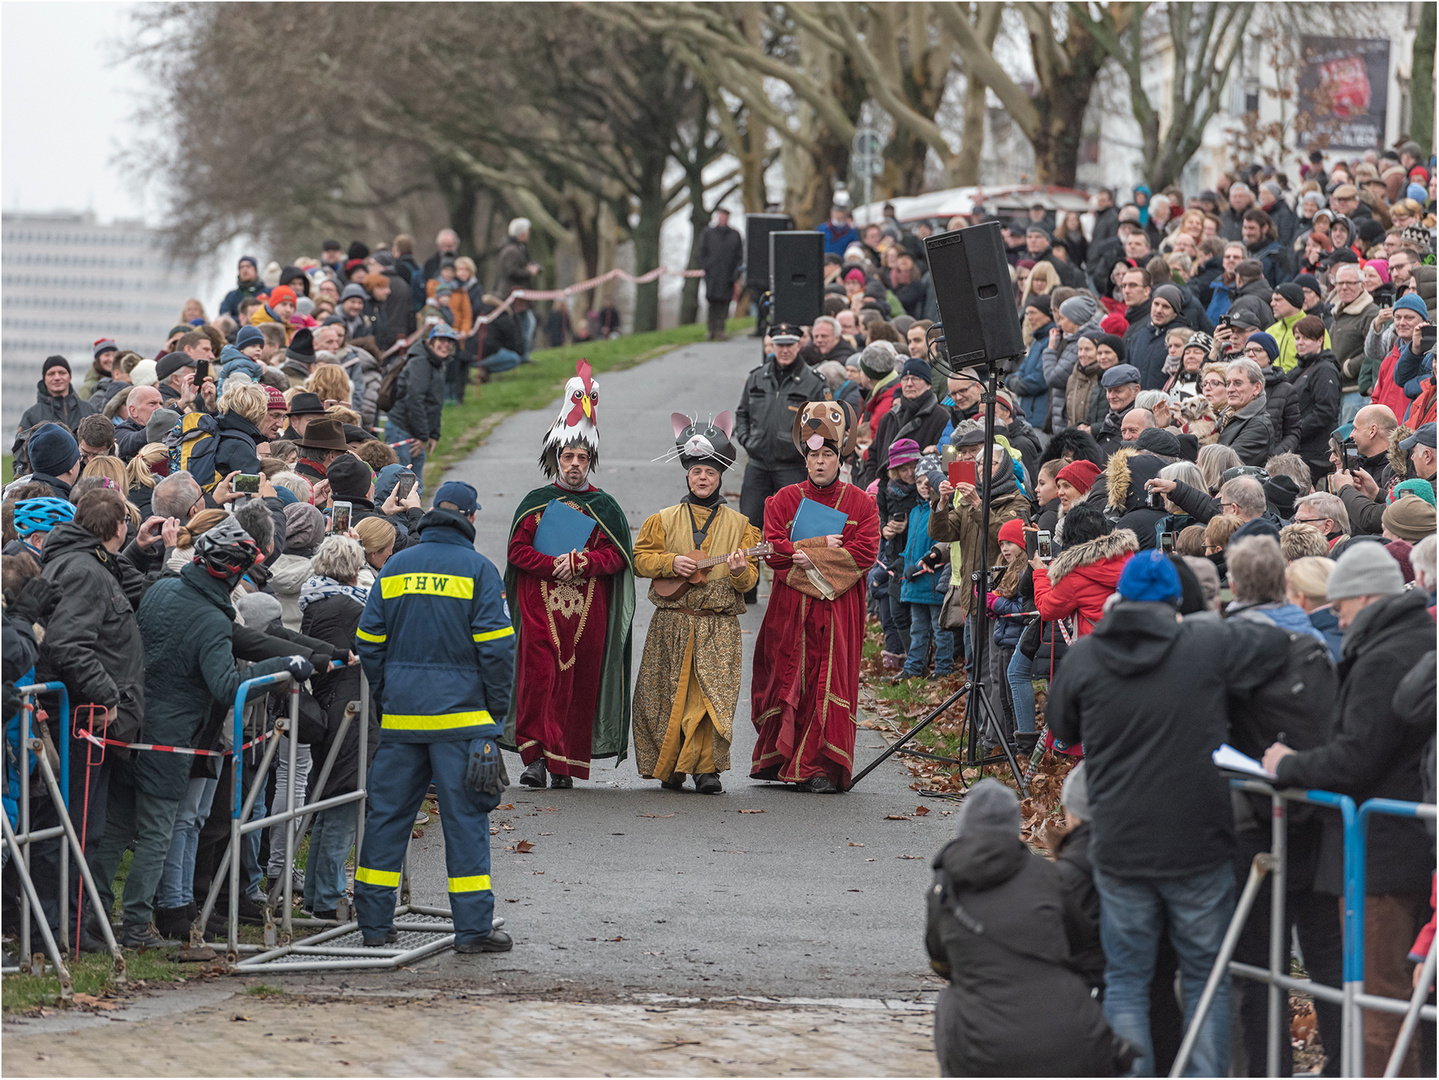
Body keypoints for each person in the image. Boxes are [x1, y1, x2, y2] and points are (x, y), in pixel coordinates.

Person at [1048, 551, 1290, 1077]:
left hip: (1118, 840)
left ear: (1122, 596)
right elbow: (1272, 640)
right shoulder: (1202, 643)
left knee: (1128, 978)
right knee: (1207, 977)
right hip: (1197, 841)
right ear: (1175, 601)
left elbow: (1061, 728)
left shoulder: (1088, 655)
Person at [1262, 543, 1435, 1077]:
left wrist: (1287, 764)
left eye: (1339, 608)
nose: (1337, 618)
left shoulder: (1385, 655)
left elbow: (1357, 755)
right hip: (1408, 842)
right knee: (1411, 996)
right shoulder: (1419, 639)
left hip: (1379, 850)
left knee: (1379, 995)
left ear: (1363, 596)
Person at [354, 480, 514, 953]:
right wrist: (494, 714)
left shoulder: (396, 566)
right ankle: (471, 931)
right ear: (469, 517)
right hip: (462, 724)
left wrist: (389, 697)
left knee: (386, 822)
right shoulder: (479, 571)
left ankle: (375, 926)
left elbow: (369, 641)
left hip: (402, 721)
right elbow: (498, 651)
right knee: (465, 824)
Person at [925, 779, 1131, 1077]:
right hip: (1067, 1034)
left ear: (964, 828)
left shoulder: (943, 889)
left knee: (950, 1000)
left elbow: (941, 962)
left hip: (981, 1049)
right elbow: (1078, 943)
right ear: (1015, 827)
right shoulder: (1050, 876)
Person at [504, 368, 634, 790]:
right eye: (567, 458)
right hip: (539, 604)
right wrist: (551, 563)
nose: (574, 465)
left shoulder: (606, 507)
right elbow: (517, 553)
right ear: (556, 459)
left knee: (578, 685)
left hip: (587, 611)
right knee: (538, 678)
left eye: (581, 458)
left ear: (590, 460)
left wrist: (583, 563)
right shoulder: (536, 502)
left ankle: (566, 764)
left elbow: (617, 556)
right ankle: (535, 758)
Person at [750, 402, 879, 792]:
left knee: (828, 679)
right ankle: (780, 758)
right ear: (804, 459)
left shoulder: (862, 503)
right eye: (814, 456)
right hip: (790, 609)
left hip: (839, 610)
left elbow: (864, 553)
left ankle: (820, 767)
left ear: (840, 459)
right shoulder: (784, 499)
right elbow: (772, 549)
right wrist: (815, 546)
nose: (820, 462)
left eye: (827, 455)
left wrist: (806, 557)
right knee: (788, 677)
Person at [631, 415, 759, 794]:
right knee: (665, 696)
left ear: (721, 477)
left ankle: (707, 769)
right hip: (672, 622)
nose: (703, 478)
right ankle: (669, 766)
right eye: (697, 471)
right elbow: (640, 560)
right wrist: (670, 562)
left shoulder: (741, 526)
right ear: (687, 474)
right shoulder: (663, 520)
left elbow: (750, 579)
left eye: (710, 472)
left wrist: (737, 572)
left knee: (710, 699)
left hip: (717, 626)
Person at [733, 323, 829, 582]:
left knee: (793, 530)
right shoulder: (756, 377)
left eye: (789, 345)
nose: (784, 350)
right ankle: (748, 586)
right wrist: (746, 439)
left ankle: (791, 584)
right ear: (772, 346)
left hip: (792, 467)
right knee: (748, 527)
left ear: (799, 345)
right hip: (758, 464)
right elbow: (741, 414)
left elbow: (822, 426)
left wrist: (803, 449)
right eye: (779, 345)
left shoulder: (814, 382)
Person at [388, 324, 458, 484]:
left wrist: (434, 434)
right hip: (403, 429)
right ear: (430, 341)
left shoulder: (438, 363)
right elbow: (415, 399)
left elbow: (435, 403)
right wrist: (423, 435)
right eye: (441, 340)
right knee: (403, 487)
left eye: (449, 341)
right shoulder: (420, 362)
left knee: (414, 486)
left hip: (416, 431)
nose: (445, 345)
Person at [697, 208, 743, 341]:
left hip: (728, 275)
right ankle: (710, 329)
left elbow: (740, 256)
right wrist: (706, 267)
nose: (723, 218)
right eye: (721, 216)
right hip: (712, 274)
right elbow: (701, 252)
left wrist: (736, 273)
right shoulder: (708, 233)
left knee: (725, 302)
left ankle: (720, 329)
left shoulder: (735, 235)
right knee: (712, 301)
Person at [1218, 358, 1275, 465]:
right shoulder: (1226, 416)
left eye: (1237, 383)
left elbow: (1226, 464)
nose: (1230, 389)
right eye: (1228, 383)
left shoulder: (1259, 426)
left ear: (1257, 388)